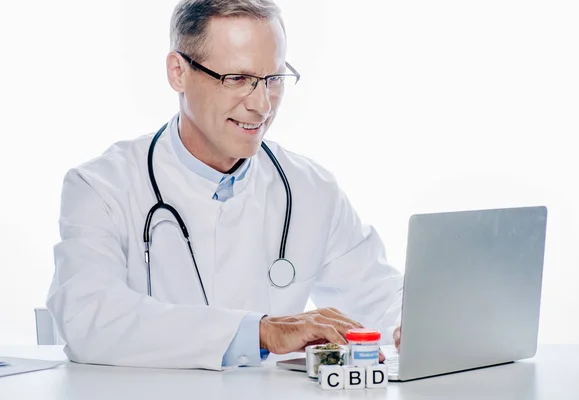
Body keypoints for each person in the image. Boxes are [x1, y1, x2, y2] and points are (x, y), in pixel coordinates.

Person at [46, 0, 403, 371]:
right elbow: (89, 318)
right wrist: (259, 332)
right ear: (178, 72)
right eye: (237, 79)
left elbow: (380, 293)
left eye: (274, 79)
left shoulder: (311, 188)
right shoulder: (101, 186)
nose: (262, 105)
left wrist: (411, 320)